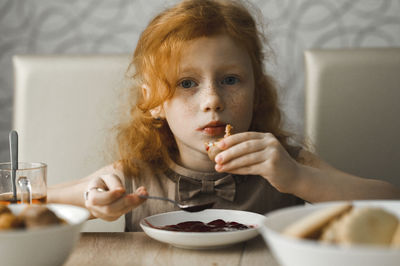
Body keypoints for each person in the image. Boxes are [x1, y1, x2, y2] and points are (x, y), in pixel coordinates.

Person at [48, 0, 400, 231]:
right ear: (154, 101)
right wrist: (90, 201)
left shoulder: (285, 163)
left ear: (257, 90)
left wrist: (298, 179)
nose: (212, 100)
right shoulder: (136, 175)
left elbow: (390, 200)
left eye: (230, 80)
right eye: (187, 83)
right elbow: (25, 201)